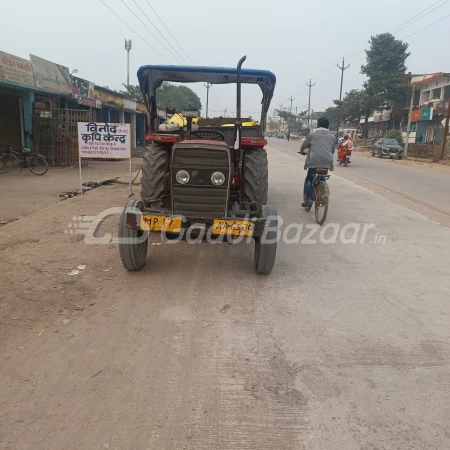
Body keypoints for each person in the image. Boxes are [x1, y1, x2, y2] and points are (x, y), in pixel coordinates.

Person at [299, 117, 336, 207]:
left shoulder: (313, 135)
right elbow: (333, 151)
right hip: (327, 161)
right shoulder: (332, 137)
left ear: (318, 125)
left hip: (314, 162)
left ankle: (309, 199)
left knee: (309, 179)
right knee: (322, 177)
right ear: (327, 126)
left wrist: (301, 150)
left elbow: (304, 146)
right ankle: (321, 192)